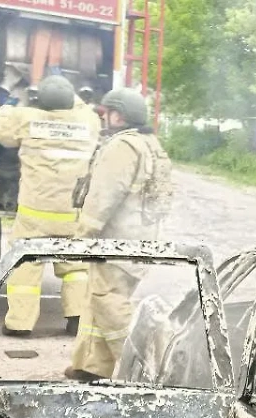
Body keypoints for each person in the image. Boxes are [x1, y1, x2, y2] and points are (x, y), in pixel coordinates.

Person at [65, 87, 173, 382]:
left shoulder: (123, 146)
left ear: (120, 115)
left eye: (108, 113)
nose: (105, 119)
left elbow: (103, 196)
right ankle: (91, 366)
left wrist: (84, 234)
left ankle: (145, 371)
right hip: (140, 240)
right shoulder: (150, 144)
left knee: (108, 301)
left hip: (118, 242)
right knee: (98, 299)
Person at [0, 75, 101, 337]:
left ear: (42, 102)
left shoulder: (27, 119)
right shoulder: (88, 123)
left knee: (26, 266)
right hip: (73, 214)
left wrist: (12, 101)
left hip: (34, 215)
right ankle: (76, 318)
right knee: (76, 266)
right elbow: (84, 108)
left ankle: (19, 324)